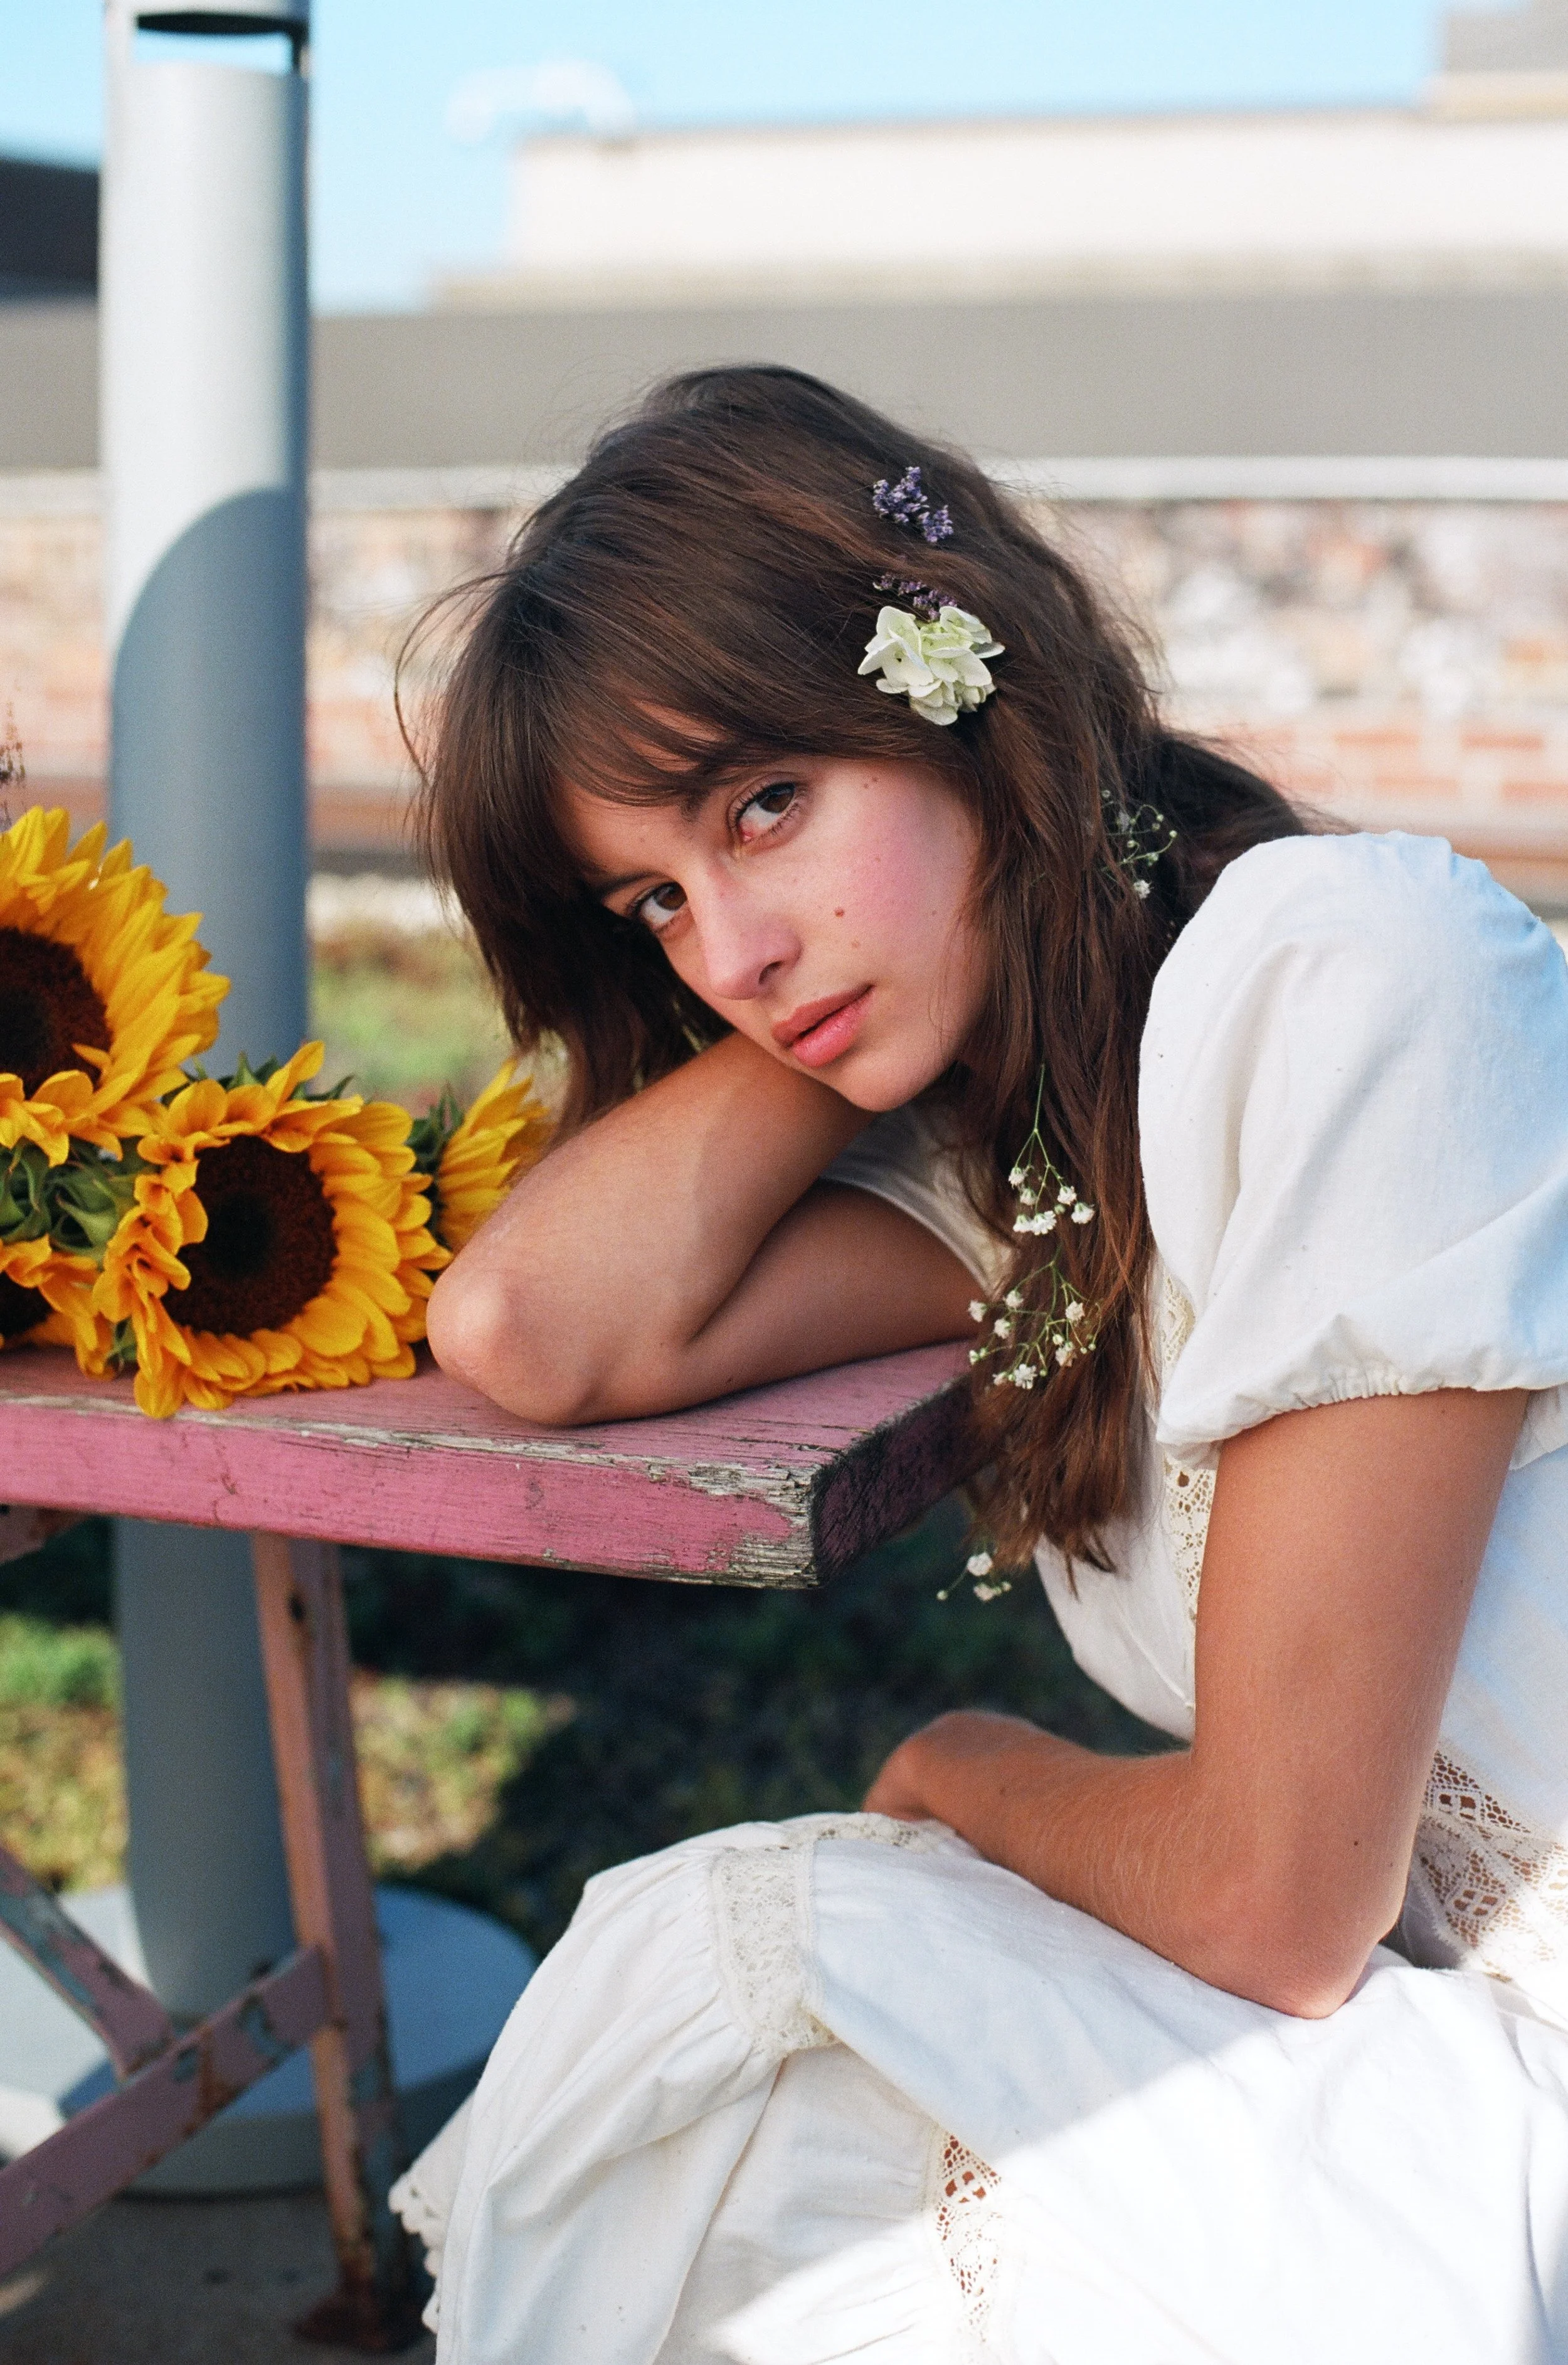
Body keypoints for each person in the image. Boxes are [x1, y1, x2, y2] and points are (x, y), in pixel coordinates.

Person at [388, 366, 1568, 2363]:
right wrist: (846, 954)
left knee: (756, 2026)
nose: (727, 953)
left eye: (767, 801)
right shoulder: (1035, 1173)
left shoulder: (1347, 979)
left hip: (1471, 2059)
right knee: (739, 2105)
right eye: (652, 899)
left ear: (959, 696)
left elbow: (1272, 1903)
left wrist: (954, 1767)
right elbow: (533, 1329)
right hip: (1413, 2027)